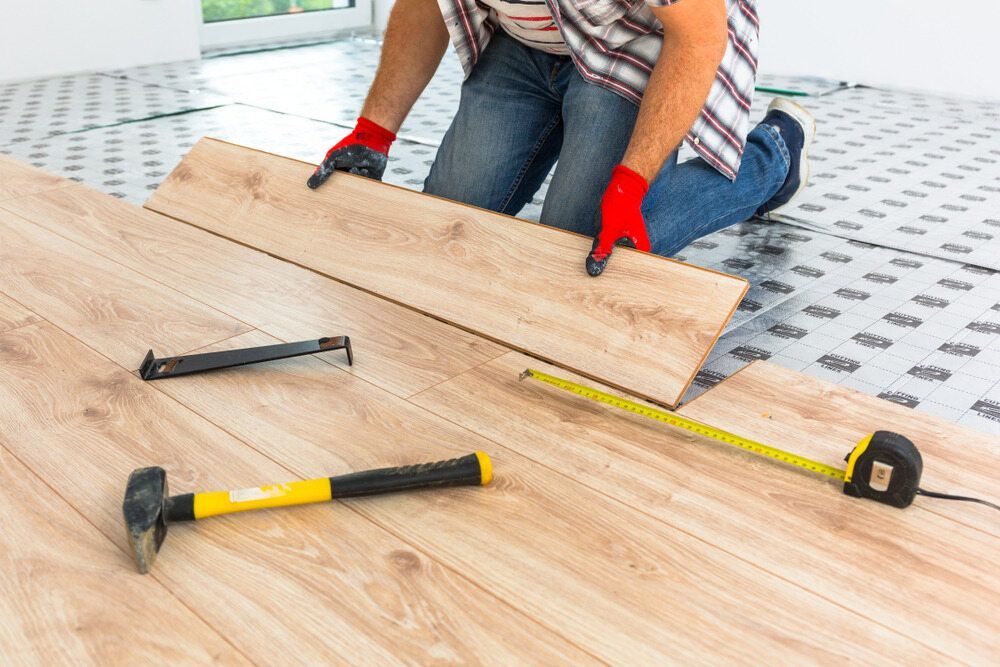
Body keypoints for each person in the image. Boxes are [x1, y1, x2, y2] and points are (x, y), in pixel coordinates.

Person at [307, 0, 815, 276]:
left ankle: (773, 155)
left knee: (580, 251)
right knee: (443, 226)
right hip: (524, 41)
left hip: (634, 44)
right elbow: (423, 6)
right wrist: (372, 132)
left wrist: (629, 183)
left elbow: (700, 36)